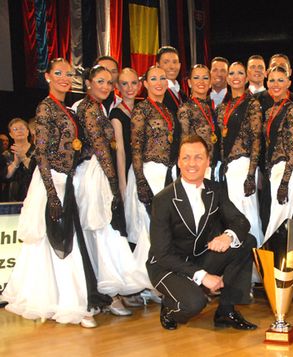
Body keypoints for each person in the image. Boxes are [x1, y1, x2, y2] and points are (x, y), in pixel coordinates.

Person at [3, 58, 110, 328]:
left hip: (67, 181)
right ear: (48, 76)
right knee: (56, 243)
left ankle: (67, 300)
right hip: (51, 182)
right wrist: (52, 194)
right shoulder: (45, 108)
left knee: (63, 243)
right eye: (58, 73)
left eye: (68, 74)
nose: (64, 77)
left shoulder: (68, 110)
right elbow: (41, 153)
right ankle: (69, 305)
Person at [147, 134, 257, 331]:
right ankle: (170, 306)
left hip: (199, 256)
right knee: (194, 304)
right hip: (168, 266)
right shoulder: (163, 200)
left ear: (208, 162)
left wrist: (228, 235)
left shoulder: (216, 190)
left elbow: (240, 221)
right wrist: (202, 275)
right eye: (186, 157)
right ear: (178, 162)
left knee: (246, 241)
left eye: (198, 157)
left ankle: (226, 310)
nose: (192, 163)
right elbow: (161, 254)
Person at [76, 65, 149, 317]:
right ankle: (108, 293)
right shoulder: (87, 108)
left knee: (107, 233)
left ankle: (113, 291)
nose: (105, 86)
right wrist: (113, 182)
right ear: (88, 82)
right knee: (102, 232)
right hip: (96, 175)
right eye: (101, 81)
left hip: (101, 173)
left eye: (109, 82)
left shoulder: (97, 107)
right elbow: (100, 148)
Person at [126, 65, 179, 293]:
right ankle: (148, 283)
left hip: (167, 174)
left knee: (164, 230)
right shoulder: (142, 111)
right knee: (149, 229)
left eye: (163, 78)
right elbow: (135, 147)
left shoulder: (167, 110)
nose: (159, 82)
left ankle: (162, 280)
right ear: (145, 84)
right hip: (148, 172)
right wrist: (140, 180)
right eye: (153, 78)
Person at [216, 61, 264, 246]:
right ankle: (237, 256)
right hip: (227, 168)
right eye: (232, 73)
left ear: (246, 78)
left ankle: (254, 257)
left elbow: (256, 140)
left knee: (248, 211)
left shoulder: (252, 104)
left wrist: (251, 174)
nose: (235, 77)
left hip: (244, 166)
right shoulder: (223, 107)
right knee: (232, 214)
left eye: (240, 73)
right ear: (227, 78)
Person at [260, 65, 293, 242]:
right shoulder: (270, 111)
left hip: (286, 170)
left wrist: (285, 181)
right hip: (274, 170)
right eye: (272, 80)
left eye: (280, 80)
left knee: (279, 221)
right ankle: (273, 266)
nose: (276, 84)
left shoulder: (291, 109)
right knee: (275, 220)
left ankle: (272, 266)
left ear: (289, 83)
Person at [178, 64, 222, 180]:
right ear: (189, 83)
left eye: (205, 78)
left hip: (214, 168)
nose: (201, 81)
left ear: (210, 82)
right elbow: (184, 142)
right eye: (196, 78)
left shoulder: (212, 108)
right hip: (196, 168)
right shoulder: (186, 109)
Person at [109, 68, 142, 200]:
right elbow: (120, 152)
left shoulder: (142, 108)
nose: (130, 88)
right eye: (124, 83)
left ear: (139, 85)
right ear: (117, 86)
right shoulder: (116, 114)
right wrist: (123, 184)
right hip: (129, 167)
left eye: (133, 83)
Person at [157, 45, 187, 160]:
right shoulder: (157, 94)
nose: (171, 66)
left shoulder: (183, 95)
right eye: (166, 62)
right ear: (158, 65)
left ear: (179, 65)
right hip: (163, 155)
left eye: (175, 62)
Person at [1, 118, 36, 202]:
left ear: (28, 132)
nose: (19, 131)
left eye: (22, 128)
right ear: (11, 134)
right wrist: (16, 162)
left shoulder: (37, 151)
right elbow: (4, 177)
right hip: (11, 197)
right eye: (15, 129)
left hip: (34, 195)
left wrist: (23, 158)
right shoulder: (6, 155)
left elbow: (40, 171)